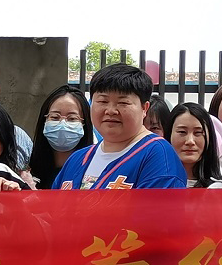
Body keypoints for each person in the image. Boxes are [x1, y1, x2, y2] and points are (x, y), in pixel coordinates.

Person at [51, 63, 184, 189]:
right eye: (103, 101)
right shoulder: (77, 159)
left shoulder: (158, 156)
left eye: (123, 103)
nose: (110, 111)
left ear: (144, 108)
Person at [27, 84, 92, 189]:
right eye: (55, 117)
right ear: (44, 121)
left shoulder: (93, 170)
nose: (62, 124)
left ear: (85, 124)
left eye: (72, 118)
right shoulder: (26, 171)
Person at [164, 101, 222, 187]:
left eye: (198, 132)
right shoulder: (155, 184)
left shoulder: (220, 188)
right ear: (169, 134)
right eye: (182, 132)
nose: (190, 141)